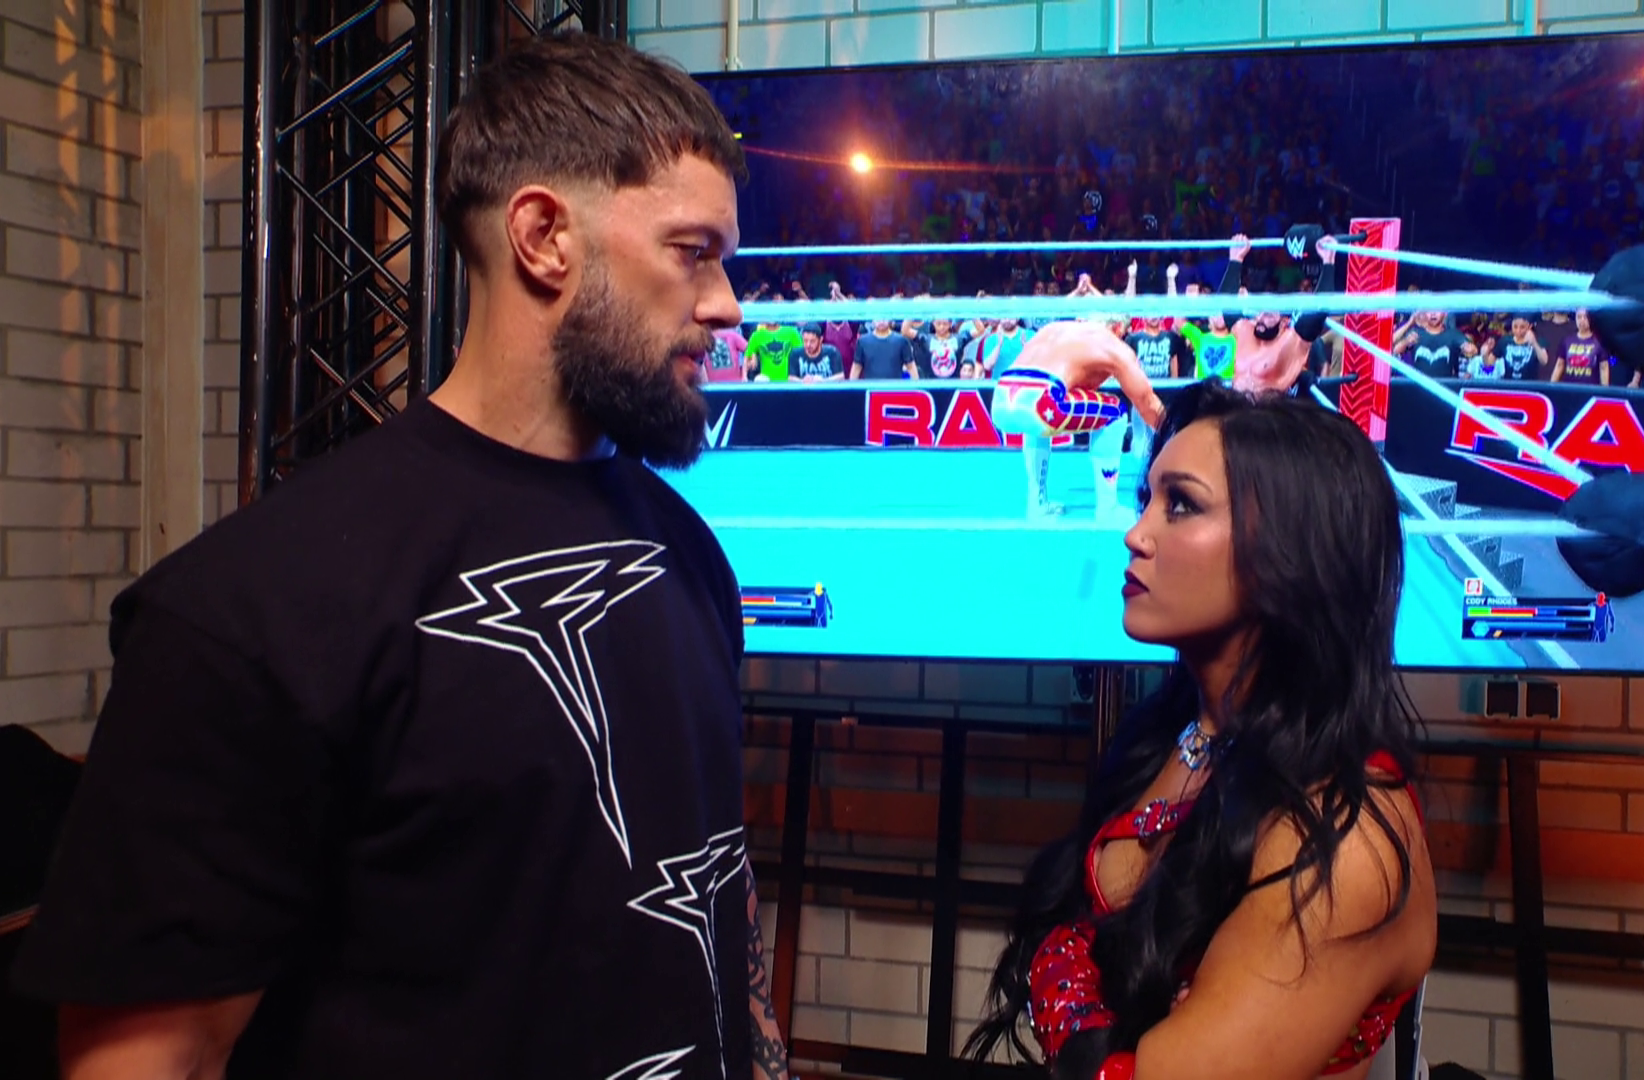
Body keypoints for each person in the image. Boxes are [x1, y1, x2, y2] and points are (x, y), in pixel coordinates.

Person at [10, 33, 789, 1080]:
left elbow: (715, 899)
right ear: (544, 238)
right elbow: (152, 1062)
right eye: (693, 250)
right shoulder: (253, 609)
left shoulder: (687, 555)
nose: (728, 302)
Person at [966, 380, 1436, 1080]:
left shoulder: (1345, 838)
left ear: (1291, 551)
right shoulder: (1181, 731)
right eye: (1145, 499)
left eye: (1181, 504)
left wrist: (1063, 969)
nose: (1136, 534)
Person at [990, 321, 1165, 522]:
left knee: (1034, 423)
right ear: (1119, 329)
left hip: (1001, 396)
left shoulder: (1055, 329)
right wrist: (1175, 432)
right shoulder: (1114, 346)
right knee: (1115, 412)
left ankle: (1037, 505)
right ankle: (1108, 509)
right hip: (1041, 399)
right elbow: (1146, 401)